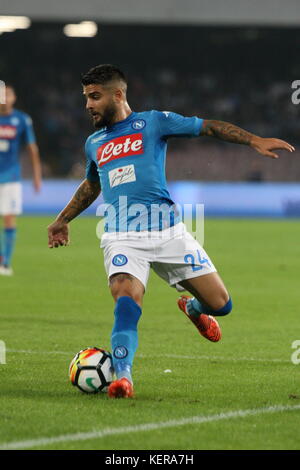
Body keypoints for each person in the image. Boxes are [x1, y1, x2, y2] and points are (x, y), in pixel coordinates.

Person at [47, 64, 295, 398]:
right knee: (126, 300)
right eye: (86, 98)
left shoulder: (153, 122)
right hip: (122, 235)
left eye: (94, 96)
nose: (88, 105)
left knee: (221, 304)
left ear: (117, 94)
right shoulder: (94, 143)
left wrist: (253, 140)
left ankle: (192, 308)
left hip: (168, 233)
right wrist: (63, 219)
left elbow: (207, 127)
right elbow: (92, 185)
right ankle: (123, 377)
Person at [0, 84, 42, 275]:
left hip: (10, 177)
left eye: (8, 94)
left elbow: (32, 148)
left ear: (14, 97)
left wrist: (36, 175)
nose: (5, 97)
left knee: (9, 218)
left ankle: (5, 262)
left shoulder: (22, 119)